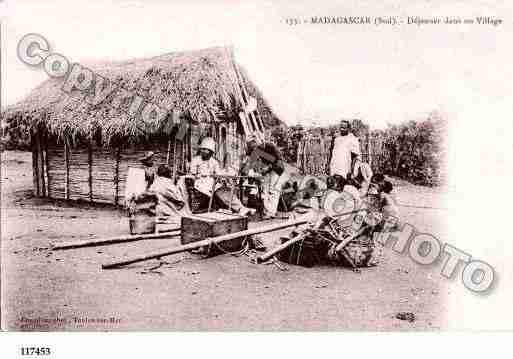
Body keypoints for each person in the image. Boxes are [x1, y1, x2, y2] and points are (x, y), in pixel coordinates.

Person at [189, 137, 255, 216]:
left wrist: (223, 178)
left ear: (211, 152)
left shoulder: (214, 162)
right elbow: (192, 174)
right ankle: (240, 208)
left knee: (225, 190)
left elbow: (218, 174)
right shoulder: (196, 160)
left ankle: (240, 208)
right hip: (200, 183)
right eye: (203, 149)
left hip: (212, 182)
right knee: (219, 190)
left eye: (207, 150)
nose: (204, 151)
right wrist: (199, 177)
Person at [241, 137, 289, 219]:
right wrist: (246, 170)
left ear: (257, 144)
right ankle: (267, 211)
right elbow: (249, 165)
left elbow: (276, 161)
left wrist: (266, 168)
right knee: (265, 189)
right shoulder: (256, 151)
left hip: (277, 168)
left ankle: (271, 212)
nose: (254, 150)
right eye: (252, 149)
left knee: (273, 190)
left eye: (254, 148)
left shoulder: (270, 146)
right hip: (268, 169)